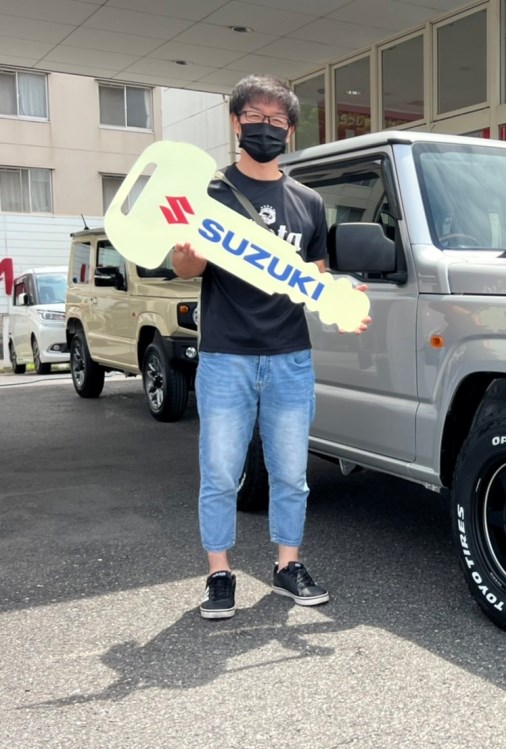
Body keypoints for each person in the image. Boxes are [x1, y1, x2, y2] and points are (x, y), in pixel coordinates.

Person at [172, 73, 367, 620]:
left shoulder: (308, 202)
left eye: (276, 121)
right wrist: (190, 251)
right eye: (255, 118)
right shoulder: (210, 194)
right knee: (220, 473)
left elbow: (316, 277)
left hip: (289, 357)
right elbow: (185, 267)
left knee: (290, 474)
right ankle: (219, 573)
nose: (266, 128)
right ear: (236, 123)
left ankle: (287, 566)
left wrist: (343, 300)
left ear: (290, 131)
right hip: (225, 357)